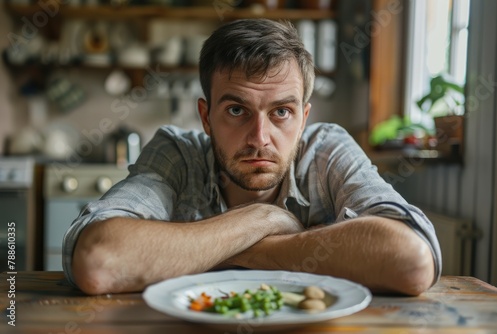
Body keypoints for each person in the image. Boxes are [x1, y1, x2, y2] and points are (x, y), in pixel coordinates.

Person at [63, 19, 441, 296]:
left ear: (304, 118)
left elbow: (412, 260)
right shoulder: (178, 153)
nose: (260, 138)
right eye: (236, 111)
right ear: (206, 117)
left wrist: (220, 250)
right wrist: (265, 218)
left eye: (281, 112)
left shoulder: (326, 150)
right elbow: (98, 260)